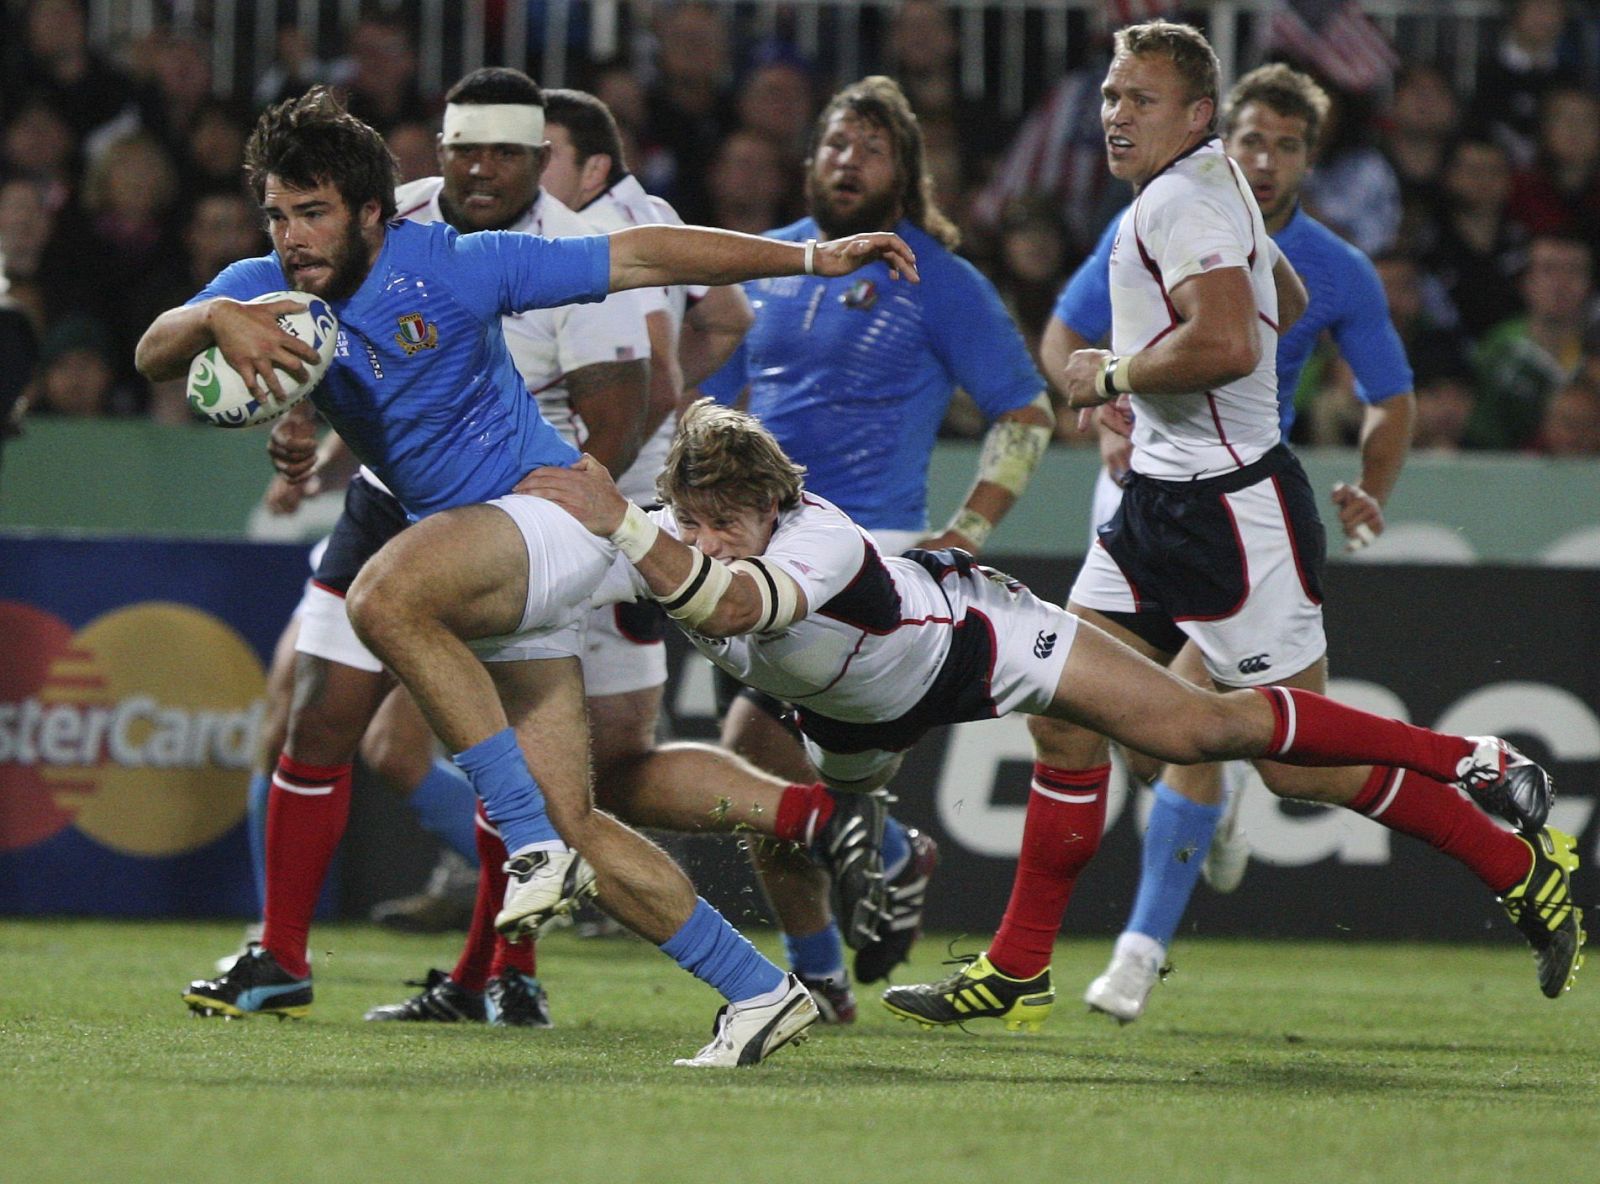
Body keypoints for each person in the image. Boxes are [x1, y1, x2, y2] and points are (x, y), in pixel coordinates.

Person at [135, 84, 918, 1067]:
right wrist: (217, 316)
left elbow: (639, 257)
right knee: (580, 813)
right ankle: (758, 989)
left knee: (382, 597)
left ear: (374, 211)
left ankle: (523, 841)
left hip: (548, 524)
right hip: (495, 576)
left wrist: (807, 255)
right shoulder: (270, 287)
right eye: (279, 214)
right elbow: (151, 348)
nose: (292, 237)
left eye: (314, 212)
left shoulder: (458, 265)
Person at [881, 20, 1581, 1031]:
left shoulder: (1184, 201)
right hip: (1155, 506)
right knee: (1062, 716)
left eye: (1142, 100)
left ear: (1196, 114)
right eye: (1113, 96)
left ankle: (1505, 831)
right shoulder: (1207, 192)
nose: (1117, 115)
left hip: (1230, 514)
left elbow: (1218, 337)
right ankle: (1018, 964)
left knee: (1300, 765)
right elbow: (1280, 295)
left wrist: (1113, 376)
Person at [522, 399, 1573, 1041]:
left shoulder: (817, 539)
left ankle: (1473, 759)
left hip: (979, 644)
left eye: (728, 520)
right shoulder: (662, 530)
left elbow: (735, 604)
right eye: (692, 520)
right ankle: (969, 934)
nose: (708, 536)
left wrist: (615, 516)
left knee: (1198, 731)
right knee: (810, 823)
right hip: (843, 708)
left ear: (774, 505)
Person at [1041, 61, 1419, 1022]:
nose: (1265, 159)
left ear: (1307, 161)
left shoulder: (1332, 265)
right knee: (1124, 727)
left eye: (1287, 146)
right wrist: (1114, 409)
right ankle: (1196, 822)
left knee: (1200, 729)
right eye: (1253, 139)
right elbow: (1063, 337)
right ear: (1225, 135)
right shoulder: (1160, 209)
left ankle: (1136, 952)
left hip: (1231, 507)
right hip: (1135, 492)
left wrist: (1371, 489)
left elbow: (1389, 397)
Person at [697, 75, 1055, 1012]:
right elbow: (713, 403)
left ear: (905, 169)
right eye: (831, 144)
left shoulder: (936, 278)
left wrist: (969, 529)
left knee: (751, 762)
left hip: (870, 565)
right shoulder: (770, 266)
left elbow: (1025, 412)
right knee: (767, 782)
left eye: (868, 147)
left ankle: (875, 874)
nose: (844, 162)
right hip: (761, 562)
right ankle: (833, 950)